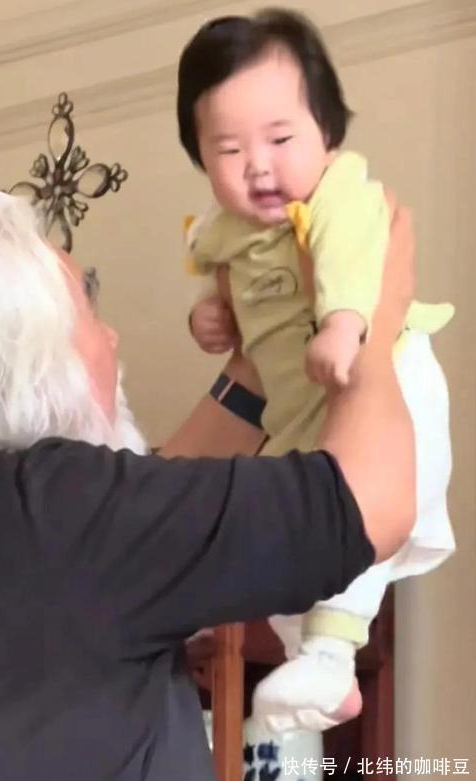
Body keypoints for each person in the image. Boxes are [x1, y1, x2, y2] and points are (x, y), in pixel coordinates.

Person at [0, 185, 414, 781]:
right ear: (30, 359)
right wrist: (372, 317)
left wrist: (259, 359)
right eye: (88, 309)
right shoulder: (56, 513)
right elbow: (369, 505)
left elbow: (146, 534)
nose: (111, 337)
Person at [177, 8, 455, 732]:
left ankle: (330, 659)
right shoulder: (224, 233)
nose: (257, 165)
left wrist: (346, 323)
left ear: (327, 133)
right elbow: (230, 294)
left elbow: (355, 257)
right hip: (298, 409)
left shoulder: (340, 193)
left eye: (279, 139)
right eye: (228, 148)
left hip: (389, 372)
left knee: (351, 521)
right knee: (289, 541)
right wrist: (211, 317)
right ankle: (319, 672)